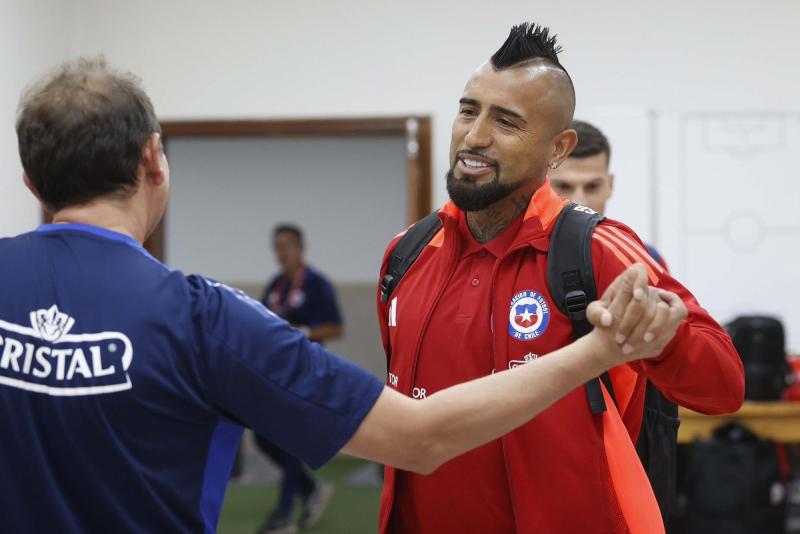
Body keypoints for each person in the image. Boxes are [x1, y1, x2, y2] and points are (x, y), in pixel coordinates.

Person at [1, 57, 677, 533]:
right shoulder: (203, 317)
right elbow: (419, 437)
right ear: (154, 159)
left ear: (33, 181)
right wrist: (599, 352)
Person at [376, 23, 744, 534]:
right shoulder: (406, 254)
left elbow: (724, 387)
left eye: (506, 121)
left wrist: (665, 334)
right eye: (468, 109)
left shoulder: (595, 249)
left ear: (557, 149)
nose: (474, 136)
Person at [256, 224, 343, 533]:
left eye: (288, 245)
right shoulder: (275, 286)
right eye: (277, 246)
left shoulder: (317, 285)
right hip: (276, 374)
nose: (283, 252)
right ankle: (311, 489)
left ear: (301, 247)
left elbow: (336, 327)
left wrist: (304, 332)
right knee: (262, 437)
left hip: (306, 375)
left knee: (288, 438)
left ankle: (283, 515)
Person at [550, 119, 668, 268]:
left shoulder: (645, 259)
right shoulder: (517, 258)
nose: (580, 202)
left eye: (592, 186)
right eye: (563, 186)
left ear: (610, 185)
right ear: (541, 186)